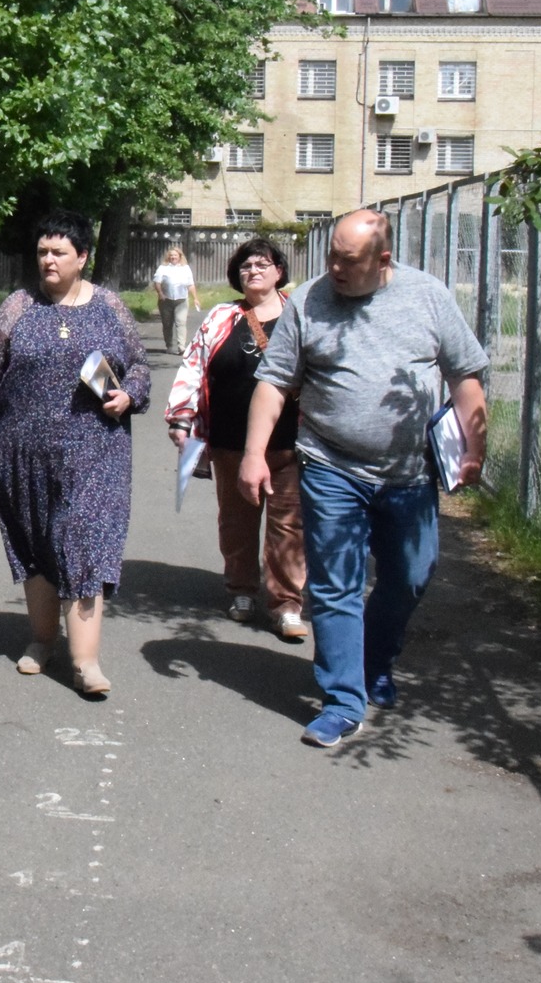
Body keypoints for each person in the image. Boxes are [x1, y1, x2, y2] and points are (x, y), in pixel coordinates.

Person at [238, 210, 488, 748]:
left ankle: (374, 660)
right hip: (331, 465)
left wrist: (475, 447)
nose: (335, 268)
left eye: (348, 261)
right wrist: (254, 454)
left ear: (383, 259)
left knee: (411, 575)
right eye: (332, 255)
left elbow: (463, 375)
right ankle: (342, 700)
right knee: (335, 584)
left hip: (409, 472)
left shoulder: (427, 296)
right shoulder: (309, 300)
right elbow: (274, 382)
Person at [0, 211, 152, 697]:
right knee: (37, 541)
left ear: (81, 257)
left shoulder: (109, 306)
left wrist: (129, 395)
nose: (48, 260)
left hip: (95, 450)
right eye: (42, 251)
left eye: (59, 252)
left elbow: (140, 366)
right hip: (21, 451)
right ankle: (43, 640)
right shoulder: (18, 306)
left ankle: (86, 663)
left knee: (83, 539)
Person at [164, 237, 311, 641]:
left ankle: (286, 604)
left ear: (279, 271)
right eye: (246, 266)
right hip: (231, 443)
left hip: (290, 445)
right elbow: (193, 366)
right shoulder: (221, 317)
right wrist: (181, 416)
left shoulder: (300, 315)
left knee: (289, 526)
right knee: (236, 522)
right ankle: (242, 590)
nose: (253, 271)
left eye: (262, 264)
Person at [150, 244, 200, 352]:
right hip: (165, 300)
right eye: (171, 255)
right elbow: (157, 282)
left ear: (180, 256)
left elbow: (190, 284)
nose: (173, 257)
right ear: (168, 257)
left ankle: (181, 346)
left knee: (181, 322)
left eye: (175, 255)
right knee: (167, 324)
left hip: (181, 300)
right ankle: (169, 345)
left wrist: (195, 298)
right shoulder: (163, 268)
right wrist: (160, 293)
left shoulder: (185, 268)